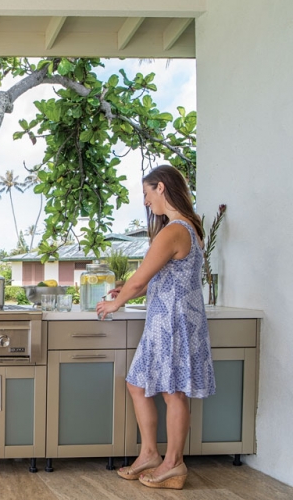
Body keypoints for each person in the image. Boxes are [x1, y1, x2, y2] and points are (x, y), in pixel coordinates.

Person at [96, 165, 215, 490]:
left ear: (161, 188)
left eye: (147, 194)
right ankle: (149, 453)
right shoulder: (187, 227)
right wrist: (129, 289)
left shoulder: (175, 229)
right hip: (166, 320)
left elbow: (142, 278)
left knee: (173, 392)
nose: (146, 202)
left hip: (173, 321)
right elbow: (164, 276)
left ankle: (174, 464)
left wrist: (115, 303)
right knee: (138, 384)